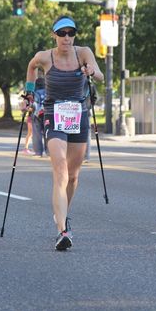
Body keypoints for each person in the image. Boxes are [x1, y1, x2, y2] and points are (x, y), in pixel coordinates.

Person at [23, 15, 103, 250]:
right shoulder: (44, 57)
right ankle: (62, 230)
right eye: (62, 33)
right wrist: (29, 93)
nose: (67, 37)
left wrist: (91, 71)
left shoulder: (84, 52)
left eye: (71, 33)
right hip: (54, 114)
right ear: (54, 35)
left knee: (74, 175)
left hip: (78, 114)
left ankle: (62, 214)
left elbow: (99, 75)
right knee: (60, 169)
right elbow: (31, 67)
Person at [32, 77, 47, 157]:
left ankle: (38, 152)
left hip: (36, 114)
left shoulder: (35, 92)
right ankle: (49, 151)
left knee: (37, 133)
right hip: (47, 112)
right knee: (47, 132)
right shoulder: (47, 91)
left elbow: (33, 104)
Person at [84, 80, 97, 162]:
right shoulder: (90, 84)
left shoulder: (73, 80)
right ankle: (86, 156)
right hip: (87, 111)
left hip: (74, 112)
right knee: (87, 135)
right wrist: (90, 105)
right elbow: (95, 97)